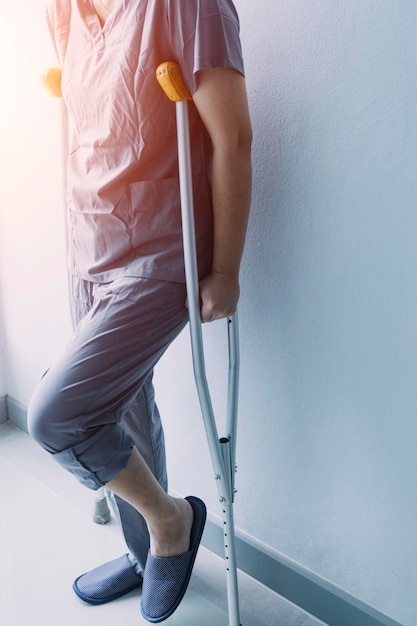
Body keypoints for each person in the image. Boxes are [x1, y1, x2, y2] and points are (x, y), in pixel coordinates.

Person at [28, 0, 252, 621]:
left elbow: (233, 138)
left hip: (160, 251)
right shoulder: (64, 11)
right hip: (89, 246)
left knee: (57, 417)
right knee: (122, 405)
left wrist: (226, 269)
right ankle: (142, 551)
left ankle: (169, 521)